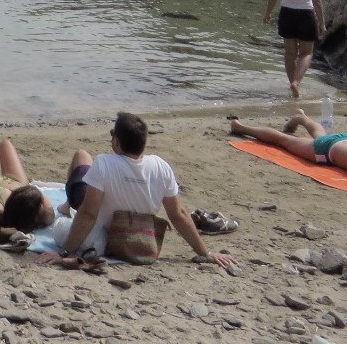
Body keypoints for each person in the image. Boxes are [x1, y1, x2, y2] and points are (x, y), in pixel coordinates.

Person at [39, 112, 235, 268]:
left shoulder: (104, 163)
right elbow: (178, 214)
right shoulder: (161, 167)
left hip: (98, 243)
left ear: (116, 141)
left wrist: (64, 253)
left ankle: (66, 208)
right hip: (138, 243)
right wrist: (205, 253)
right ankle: (68, 208)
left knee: (62, 222)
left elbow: (89, 214)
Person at [264, 0, 324, 98]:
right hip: (306, 14)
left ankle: (292, 84)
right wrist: (322, 23)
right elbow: (316, 1)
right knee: (306, 52)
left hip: (287, 13)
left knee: (290, 53)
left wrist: (268, 13)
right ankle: (296, 82)